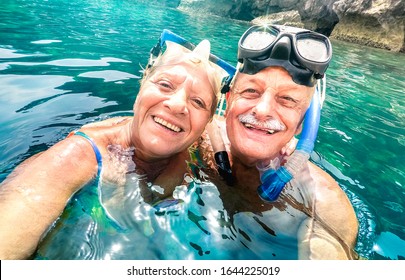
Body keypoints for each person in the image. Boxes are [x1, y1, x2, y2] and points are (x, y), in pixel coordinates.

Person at [0, 30, 235, 259]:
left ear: (208, 120)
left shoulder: (198, 145)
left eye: (197, 101)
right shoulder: (73, 159)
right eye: (165, 85)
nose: (177, 104)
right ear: (143, 82)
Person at [200, 24, 359, 259]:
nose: (263, 110)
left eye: (286, 99)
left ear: (302, 124)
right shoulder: (198, 137)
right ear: (229, 99)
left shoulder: (321, 205)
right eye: (251, 91)